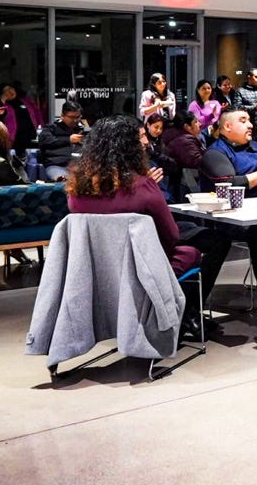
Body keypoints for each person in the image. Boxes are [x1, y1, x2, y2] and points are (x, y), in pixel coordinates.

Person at [66, 115, 218, 340]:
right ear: (127, 147)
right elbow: (171, 237)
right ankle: (186, 313)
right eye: (141, 137)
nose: (146, 142)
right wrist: (149, 188)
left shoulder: (76, 191)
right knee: (201, 247)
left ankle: (186, 314)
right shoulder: (143, 187)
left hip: (98, 271)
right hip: (142, 269)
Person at [199, 108, 257, 286]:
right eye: (243, 120)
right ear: (228, 126)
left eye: (249, 120)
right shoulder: (215, 153)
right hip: (232, 220)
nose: (250, 125)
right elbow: (232, 183)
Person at [36, 101, 87, 181]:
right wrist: (68, 140)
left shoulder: (83, 130)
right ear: (62, 116)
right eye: (71, 117)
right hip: (58, 165)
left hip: (80, 166)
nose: (75, 120)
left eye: (77, 117)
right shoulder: (51, 129)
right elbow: (45, 141)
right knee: (65, 180)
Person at [0, 81, 42, 158]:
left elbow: (37, 113)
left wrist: (41, 127)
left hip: (31, 137)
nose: (10, 91)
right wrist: (3, 98)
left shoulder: (25, 101)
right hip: (14, 140)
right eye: (6, 90)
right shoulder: (4, 105)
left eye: (11, 88)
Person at [142, 112, 180, 200]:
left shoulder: (161, 142)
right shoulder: (145, 144)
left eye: (161, 128)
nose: (158, 130)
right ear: (148, 125)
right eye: (156, 127)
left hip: (163, 179)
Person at [165, 111, 206, 176]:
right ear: (187, 127)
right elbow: (198, 163)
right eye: (195, 122)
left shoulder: (183, 138)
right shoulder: (185, 143)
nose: (199, 124)